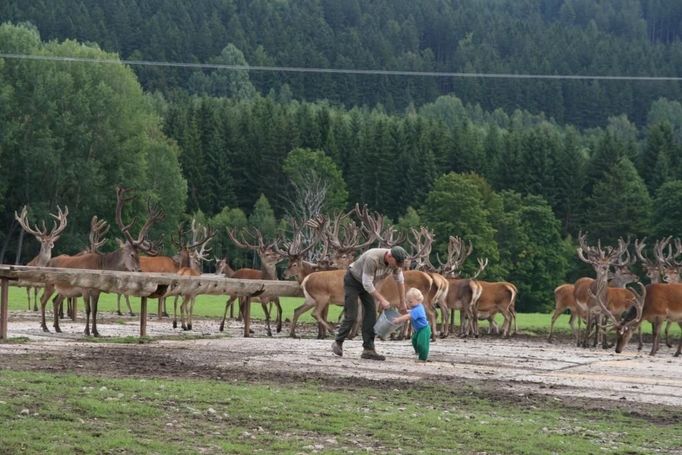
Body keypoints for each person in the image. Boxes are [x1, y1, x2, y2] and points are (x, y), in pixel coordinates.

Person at [331, 245, 408, 360]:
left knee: (371, 315)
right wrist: (382, 299)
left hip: (369, 284)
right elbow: (367, 284)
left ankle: (368, 349)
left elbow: (400, 281)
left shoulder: (396, 264)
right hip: (353, 281)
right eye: (396, 263)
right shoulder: (373, 258)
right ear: (389, 256)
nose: (397, 266)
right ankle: (338, 342)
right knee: (352, 315)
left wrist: (402, 303)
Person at [392, 287, 431, 362]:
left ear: (419, 300)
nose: (408, 304)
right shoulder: (416, 307)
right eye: (407, 302)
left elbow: (409, 316)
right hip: (418, 330)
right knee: (414, 340)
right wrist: (407, 310)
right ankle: (418, 351)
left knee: (422, 343)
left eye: (410, 302)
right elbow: (411, 312)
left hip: (424, 329)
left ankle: (422, 358)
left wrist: (399, 319)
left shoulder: (418, 309)